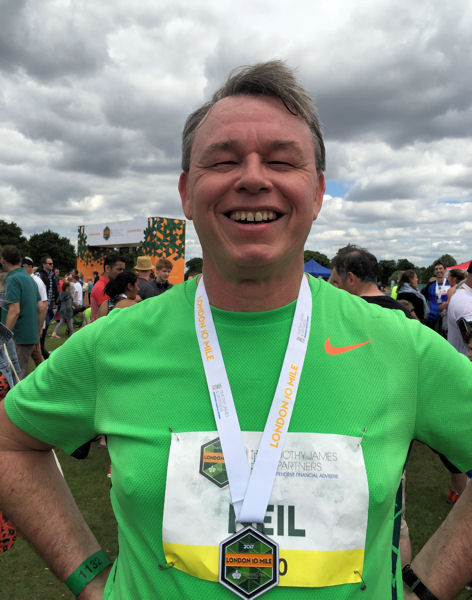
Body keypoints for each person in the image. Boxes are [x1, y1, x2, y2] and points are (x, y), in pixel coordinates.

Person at [0, 61, 472, 600]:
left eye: (280, 160)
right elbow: (10, 444)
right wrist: (88, 578)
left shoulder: (398, 344)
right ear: (186, 192)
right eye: (224, 160)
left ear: (317, 192)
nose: (252, 177)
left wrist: (427, 586)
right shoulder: (115, 342)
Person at [330, 245, 412, 317]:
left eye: (336, 282)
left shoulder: (348, 314)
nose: (334, 288)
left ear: (351, 279)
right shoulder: (403, 313)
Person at [0, 245, 41, 379]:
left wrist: (3, 338)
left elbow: (14, 311)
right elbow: (41, 307)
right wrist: (37, 331)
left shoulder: (12, 279)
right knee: (21, 373)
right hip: (27, 336)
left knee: (14, 378)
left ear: (3, 260)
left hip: (17, 336)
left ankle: (15, 401)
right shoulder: (30, 278)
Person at [21, 257, 48, 366]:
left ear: (28, 267)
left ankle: (46, 376)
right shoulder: (26, 280)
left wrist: (39, 330)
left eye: (21, 267)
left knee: (36, 353)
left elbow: (44, 306)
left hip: (36, 325)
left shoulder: (37, 281)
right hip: (29, 326)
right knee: (35, 354)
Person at [90, 253, 126, 321]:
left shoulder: (107, 285)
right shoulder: (101, 287)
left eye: (123, 270)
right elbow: (109, 314)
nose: (122, 273)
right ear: (107, 268)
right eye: (119, 269)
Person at [422, 261, 450, 332]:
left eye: (440, 268)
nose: (438, 271)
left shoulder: (449, 284)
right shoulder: (430, 285)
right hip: (431, 319)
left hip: (446, 318)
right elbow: (427, 301)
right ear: (434, 272)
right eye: (436, 269)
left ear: (445, 270)